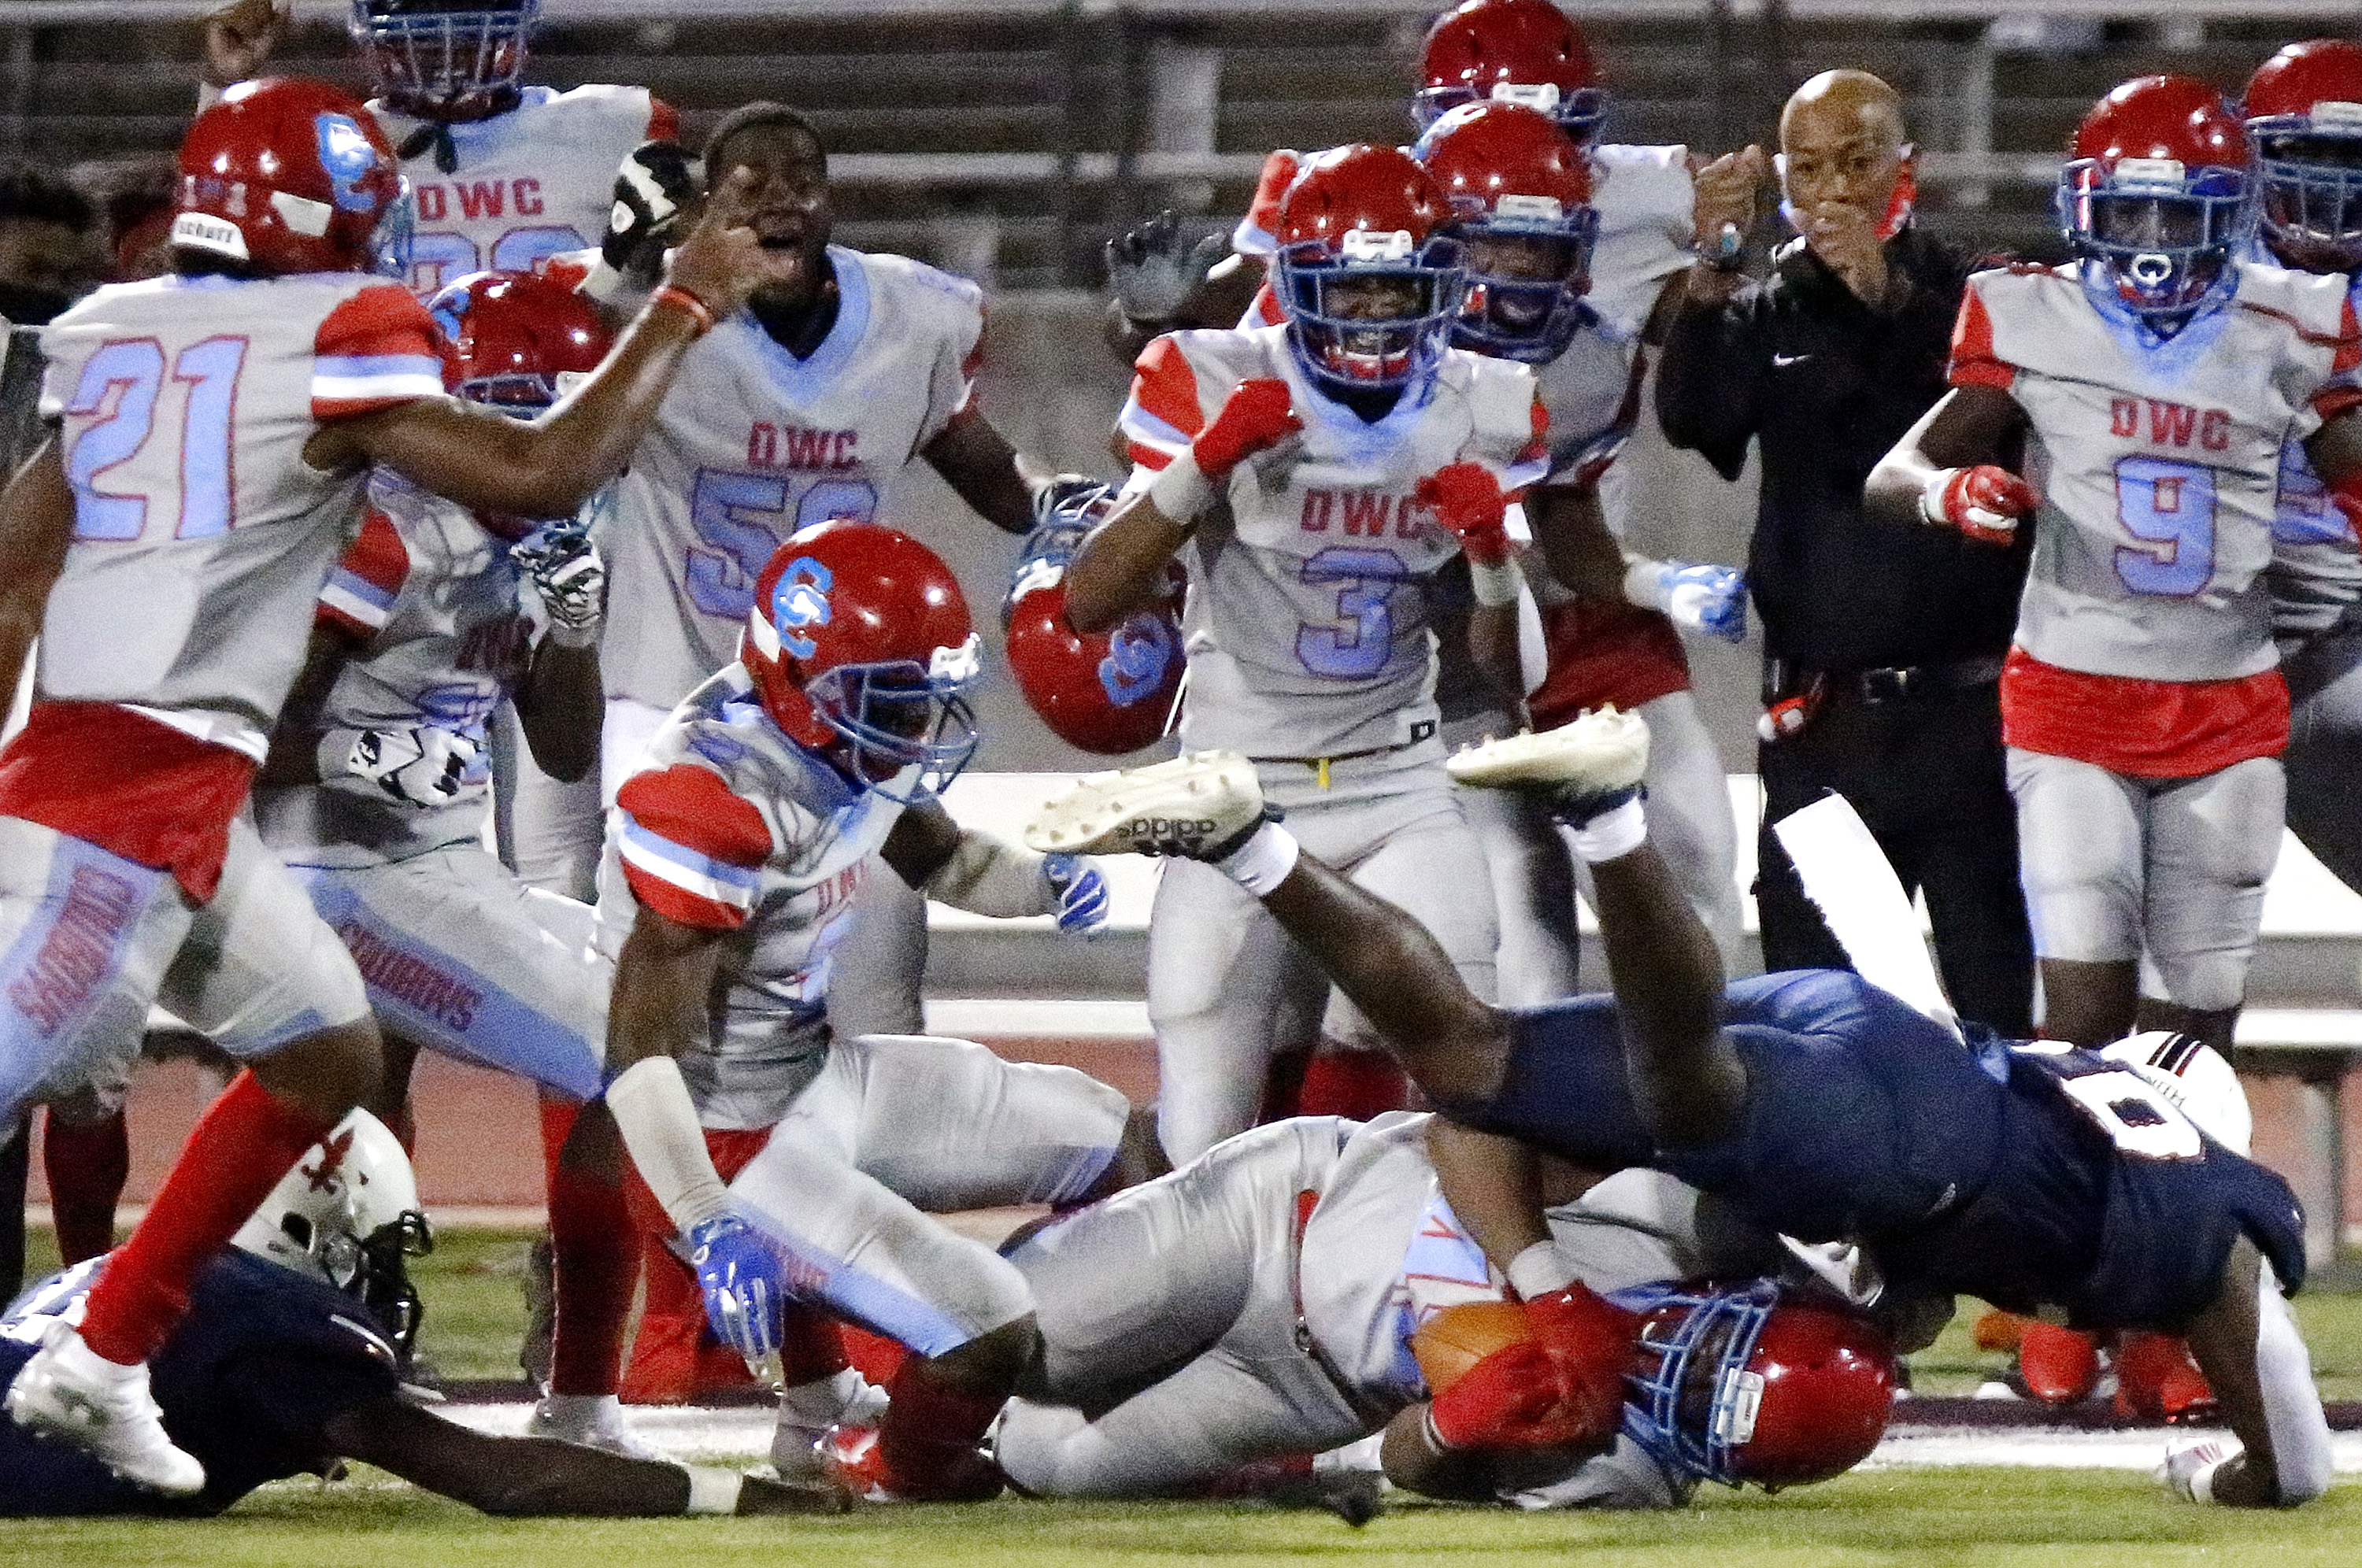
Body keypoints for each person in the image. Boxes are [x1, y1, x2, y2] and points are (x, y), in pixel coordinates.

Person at [0, 75, 765, 1495]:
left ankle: (105, 1352)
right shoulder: (341, 370)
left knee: (327, 1056)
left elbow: (17, 563)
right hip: (151, 804)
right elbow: (542, 467)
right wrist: (684, 299)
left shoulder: (124, 337)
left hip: (183, 792)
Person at [1027, 708, 2333, 1509]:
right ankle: (1607, 823)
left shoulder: (2074, 1105)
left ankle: (1250, 843)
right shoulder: (2202, 1232)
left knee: (1477, 1053)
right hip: (1903, 1137)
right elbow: (2294, 1460)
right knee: (1678, 1083)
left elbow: (1918, 1287)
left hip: (1901, 1052)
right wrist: (2226, 1475)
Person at [595, 521, 1152, 1503]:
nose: (915, 731)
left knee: (1123, 1145)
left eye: (924, 700)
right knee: (985, 1326)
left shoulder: (843, 726)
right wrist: (704, 1220)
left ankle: (1079, 1383)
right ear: (798, 682)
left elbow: (939, 855)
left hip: (818, 1074)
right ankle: (890, 1468)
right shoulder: (706, 797)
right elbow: (640, 1051)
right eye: (893, 703)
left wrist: (1042, 883)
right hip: (728, 1141)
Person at [1072, 142, 1551, 1164]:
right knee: (1203, 1112)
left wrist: (1493, 559)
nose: (1375, 314)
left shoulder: (1485, 404)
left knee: (1473, 1069)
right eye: (1353, 287)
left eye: (1396, 289)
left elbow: (1522, 682)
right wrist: (1201, 466)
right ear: (1296, 285)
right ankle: (1208, 1315)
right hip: (1237, 789)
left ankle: (1473, 1292)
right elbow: (1091, 597)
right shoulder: (1212, 377)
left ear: (1439, 289)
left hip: (1399, 787)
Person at [1866, 74, 2362, 1056]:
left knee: (2197, 1039)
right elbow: (1897, 472)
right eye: (2128, 209)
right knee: (2087, 1023)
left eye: (2180, 215)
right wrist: (1949, 494)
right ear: (2085, 207)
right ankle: (2080, 1211)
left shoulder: (2289, 325)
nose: (2151, 240)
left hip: (2229, 708)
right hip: (2072, 703)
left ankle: (2194, 1215)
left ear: (2233, 217)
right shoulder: (2035, 315)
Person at [249, 268, 651, 1458]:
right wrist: (372, 750)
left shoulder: (535, 535)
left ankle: (340, 1367)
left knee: (361, 1129)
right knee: (627, 1054)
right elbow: (263, 740)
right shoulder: (379, 530)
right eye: (525, 416)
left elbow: (567, 749)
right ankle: (579, 1406)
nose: (551, 448)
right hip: (339, 869)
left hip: (437, 863)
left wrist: (568, 626)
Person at [1656, 68, 2035, 1036]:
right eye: (1810, 167)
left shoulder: (1979, 291)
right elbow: (1695, 419)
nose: (1833, 191)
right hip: (1820, 725)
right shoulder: (1767, 305)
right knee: (1818, 1022)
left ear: (1910, 163)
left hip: (1971, 719)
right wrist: (1710, 269)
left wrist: (1885, 291)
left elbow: (1978, 416)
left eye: (1857, 163)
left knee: (1996, 1014)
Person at [998, 1115, 1894, 1507]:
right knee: (1022, 1337)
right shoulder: (1684, 1218)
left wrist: (1452, 1431)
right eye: (1710, 1362)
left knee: (1042, 1462)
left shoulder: (1622, 1477)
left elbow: (1407, 1462)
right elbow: (1465, 1131)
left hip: (1318, 1386)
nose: (1676, 1381)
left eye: (1701, 1416)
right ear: (1743, 1301)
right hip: (1286, 1218)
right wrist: (1550, 1289)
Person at [0, 1108, 841, 1518]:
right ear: (316, 1231)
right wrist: (746, 1498)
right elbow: (506, 1477)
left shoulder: (108, 1278)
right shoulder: (267, 1316)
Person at [1411, 97, 1745, 987]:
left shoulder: (1592, 359)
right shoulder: (1367, 348)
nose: (1522, 268)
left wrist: (1661, 586)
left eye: (1545, 245)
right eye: (1496, 242)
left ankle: (1688, 1101)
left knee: (1704, 874)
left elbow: (1569, 523)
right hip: (1429, 655)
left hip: (1566, 621)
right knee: (1519, 904)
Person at [2239, 42, 2362, 899]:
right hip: (2261, 643)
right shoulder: (2198, 287)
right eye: (2303, 155)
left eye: (2348, 160)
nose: (2329, 185)